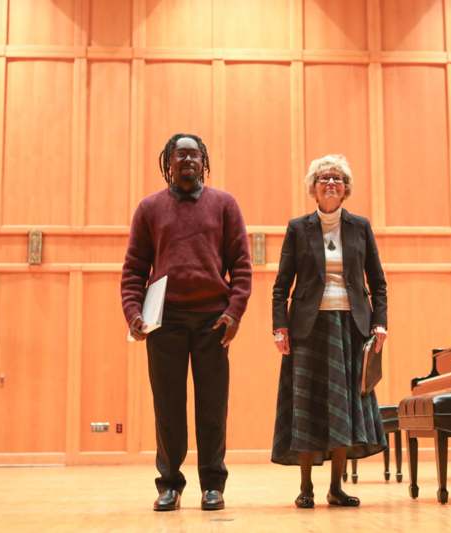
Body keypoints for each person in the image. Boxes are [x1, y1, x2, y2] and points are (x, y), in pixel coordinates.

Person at [121, 133, 252, 512]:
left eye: (195, 155)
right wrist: (134, 314)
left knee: (212, 407)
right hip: (165, 322)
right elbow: (133, 270)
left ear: (204, 161)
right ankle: (170, 484)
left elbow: (242, 265)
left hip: (214, 320)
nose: (188, 161)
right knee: (168, 406)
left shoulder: (225, 205)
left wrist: (234, 312)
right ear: (168, 162)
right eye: (181, 155)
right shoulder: (149, 209)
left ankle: (213, 484)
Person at [270, 154, 388, 508]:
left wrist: (380, 323)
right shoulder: (297, 228)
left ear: (346, 187)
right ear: (313, 187)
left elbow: (378, 283)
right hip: (308, 327)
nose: (331, 183)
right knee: (307, 404)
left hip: (352, 326)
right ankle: (305, 487)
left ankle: (336, 487)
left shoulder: (360, 227)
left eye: (337, 178)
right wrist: (279, 327)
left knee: (344, 406)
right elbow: (280, 286)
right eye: (324, 178)